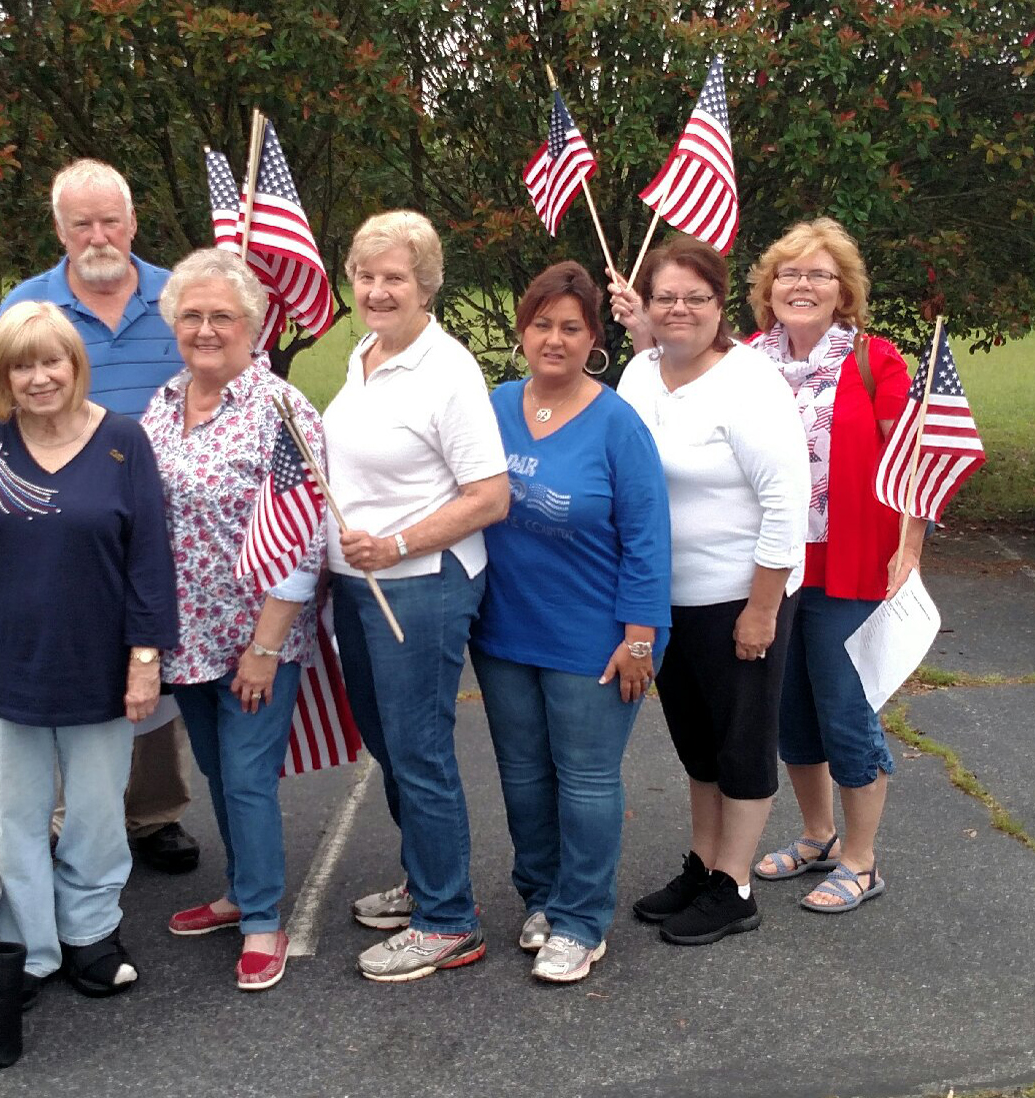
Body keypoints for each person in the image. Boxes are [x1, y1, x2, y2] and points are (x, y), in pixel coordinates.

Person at [0, 301, 178, 1009]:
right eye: (22, 364)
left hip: (97, 665)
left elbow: (148, 559)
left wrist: (143, 659)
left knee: (99, 813)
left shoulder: (123, 441)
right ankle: (31, 949)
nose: (39, 377)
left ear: (74, 365)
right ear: (1, 373)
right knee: (15, 816)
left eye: (52, 361)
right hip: (2, 669)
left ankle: (90, 935)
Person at [0, 158, 198, 873]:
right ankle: (69, 814)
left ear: (132, 221)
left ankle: (152, 814)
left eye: (110, 219)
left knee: (152, 668)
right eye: (81, 223)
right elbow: (3, 412)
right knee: (72, 666)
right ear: (60, 229)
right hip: (63, 523)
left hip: (168, 521)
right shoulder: (29, 307)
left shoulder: (178, 299)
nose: (98, 235)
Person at [471, 261, 671, 982]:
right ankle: (542, 896)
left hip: (596, 635)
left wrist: (640, 636)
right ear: (522, 330)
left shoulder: (618, 423)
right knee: (522, 776)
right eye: (541, 324)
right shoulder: (491, 406)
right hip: (503, 631)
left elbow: (648, 538)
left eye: (571, 327)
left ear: (594, 340)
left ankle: (582, 921)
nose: (552, 339)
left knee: (584, 780)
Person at [324, 210, 509, 982]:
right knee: (387, 743)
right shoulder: (362, 354)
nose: (376, 289)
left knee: (419, 750)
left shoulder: (448, 370)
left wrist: (398, 543)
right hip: (355, 586)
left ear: (425, 283)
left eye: (393, 276)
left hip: (422, 586)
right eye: (365, 275)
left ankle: (448, 920)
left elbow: (490, 495)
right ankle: (425, 879)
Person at [614, 236, 809, 945]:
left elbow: (786, 503)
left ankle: (735, 884)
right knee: (696, 741)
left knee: (741, 742)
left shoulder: (748, 382)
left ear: (719, 305)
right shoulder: (638, 374)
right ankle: (702, 863)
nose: (679, 309)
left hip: (739, 596)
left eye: (695, 297)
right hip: (666, 599)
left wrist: (761, 609)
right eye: (665, 296)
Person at [141, 249, 326, 992]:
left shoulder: (281, 410)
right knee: (217, 769)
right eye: (192, 315)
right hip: (185, 632)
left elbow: (307, 531)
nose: (206, 328)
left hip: (256, 634)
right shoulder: (162, 402)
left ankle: (262, 920)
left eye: (222, 316)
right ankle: (239, 892)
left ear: (252, 326)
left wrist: (265, 646)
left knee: (247, 776)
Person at [744, 218, 922, 912]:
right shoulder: (744, 363)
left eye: (818, 274)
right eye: (789, 272)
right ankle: (817, 835)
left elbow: (911, 467)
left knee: (846, 711)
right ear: (769, 287)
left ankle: (860, 858)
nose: (802, 284)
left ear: (842, 289)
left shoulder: (876, 361)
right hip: (770, 567)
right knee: (789, 712)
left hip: (850, 566)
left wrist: (907, 549)